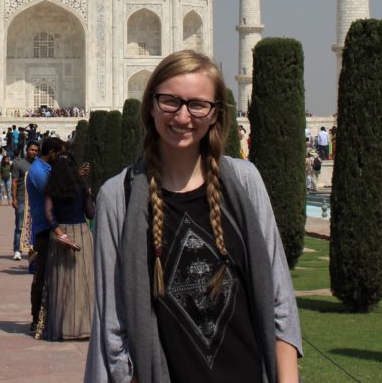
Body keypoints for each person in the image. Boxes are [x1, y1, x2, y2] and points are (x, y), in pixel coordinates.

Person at [85, 50, 302, 382]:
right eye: (170, 101)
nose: (183, 117)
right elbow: (114, 327)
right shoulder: (119, 197)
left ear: (215, 113)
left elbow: (280, 303)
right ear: (150, 106)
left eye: (198, 105)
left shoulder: (244, 183)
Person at [37, 151, 94, 341]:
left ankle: (62, 326)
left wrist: (59, 233)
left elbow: (49, 214)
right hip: (82, 233)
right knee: (83, 282)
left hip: (61, 234)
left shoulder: (52, 188)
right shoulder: (81, 187)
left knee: (61, 283)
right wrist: (89, 196)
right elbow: (91, 214)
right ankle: (84, 325)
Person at [27, 137, 65, 333]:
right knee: (41, 275)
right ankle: (37, 319)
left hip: (50, 226)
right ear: (51, 152)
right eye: (59, 153)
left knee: (53, 274)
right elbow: (56, 192)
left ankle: (50, 316)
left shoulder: (46, 169)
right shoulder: (38, 172)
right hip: (44, 228)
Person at [11, 141, 39, 261]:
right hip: (22, 198)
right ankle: (17, 250)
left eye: (36, 150)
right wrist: (14, 198)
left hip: (35, 200)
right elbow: (15, 182)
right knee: (20, 225)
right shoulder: (19, 163)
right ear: (26, 150)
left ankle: (33, 248)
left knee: (34, 225)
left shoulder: (39, 164)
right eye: (32, 150)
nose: (34, 152)